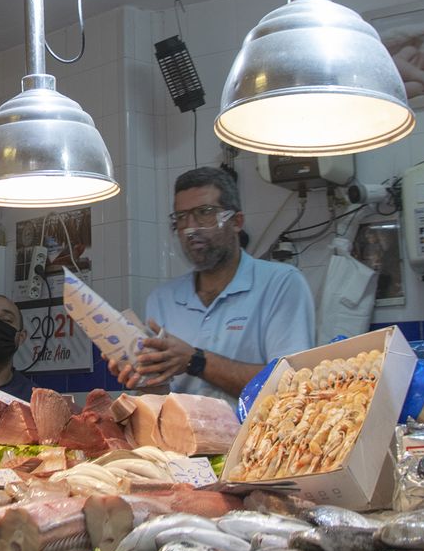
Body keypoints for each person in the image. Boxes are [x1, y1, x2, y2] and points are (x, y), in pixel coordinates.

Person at [109, 166, 313, 403]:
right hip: (180, 439)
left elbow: (291, 385)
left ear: (236, 221)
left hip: (254, 439)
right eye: (181, 217)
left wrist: (195, 360)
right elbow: (159, 399)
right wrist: (142, 376)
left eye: (204, 212)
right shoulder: (162, 299)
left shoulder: (282, 284)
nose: (190, 229)